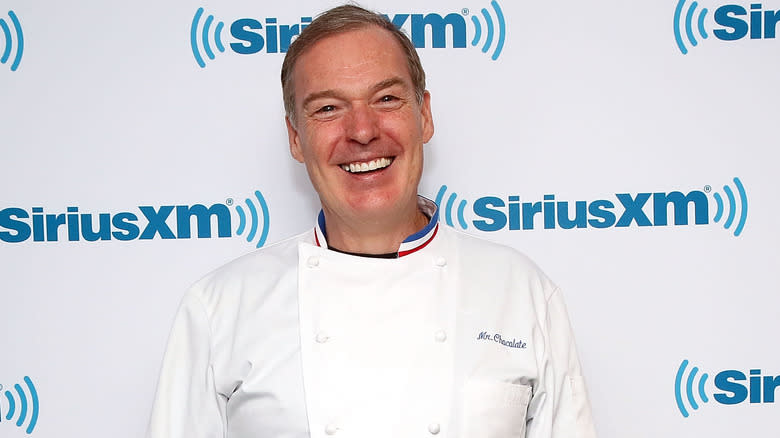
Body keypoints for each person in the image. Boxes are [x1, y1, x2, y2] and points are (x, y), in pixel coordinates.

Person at [147, 4, 596, 438]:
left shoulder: (521, 292)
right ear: (295, 138)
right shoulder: (220, 307)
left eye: (386, 99)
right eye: (327, 108)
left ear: (424, 115)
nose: (362, 131)